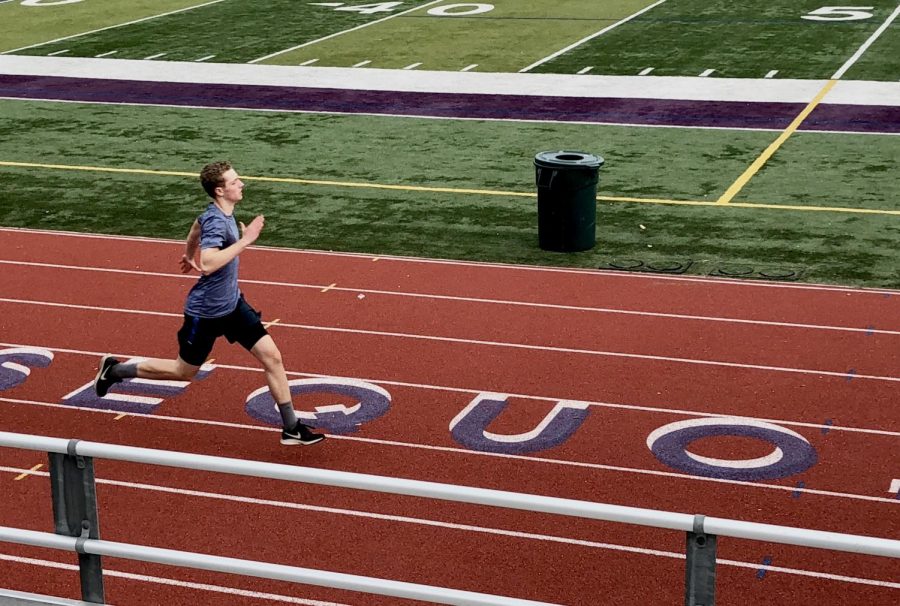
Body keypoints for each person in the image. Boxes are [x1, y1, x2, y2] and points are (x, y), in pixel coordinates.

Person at [94, 161, 324, 446]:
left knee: (272, 357)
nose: (242, 184)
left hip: (233, 305)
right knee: (183, 372)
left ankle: (291, 428)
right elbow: (211, 263)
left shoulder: (216, 213)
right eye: (235, 181)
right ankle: (115, 371)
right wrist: (246, 240)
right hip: (205, 314)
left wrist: (189, 255)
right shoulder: (217, 220)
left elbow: (195, 228)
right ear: (220, 190)